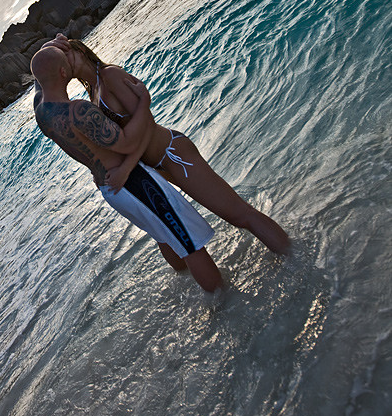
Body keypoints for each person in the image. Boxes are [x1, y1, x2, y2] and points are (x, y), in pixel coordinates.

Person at [46, 34, 291, 272]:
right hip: (154, 168)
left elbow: (147, 123)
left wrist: (126, 168)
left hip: (172, 153)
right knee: (170, 241)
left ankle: (297, 259)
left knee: (239, 215)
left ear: (81, 50)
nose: (65, 60)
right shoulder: (93, 93)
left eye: (68, 53)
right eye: (61, 57)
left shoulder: (110, 75)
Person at [31, 43, 224, 291]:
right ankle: (223, 301)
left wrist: (50, 51)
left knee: (164, 236)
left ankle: (184, 286)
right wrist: (144, 101)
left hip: (109, 188)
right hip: (133, 183)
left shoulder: (42, 113)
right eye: (65, 63)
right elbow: (126, 143)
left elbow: (41, 77)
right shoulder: (78, 110)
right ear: (62, 74)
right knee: (190, 244)